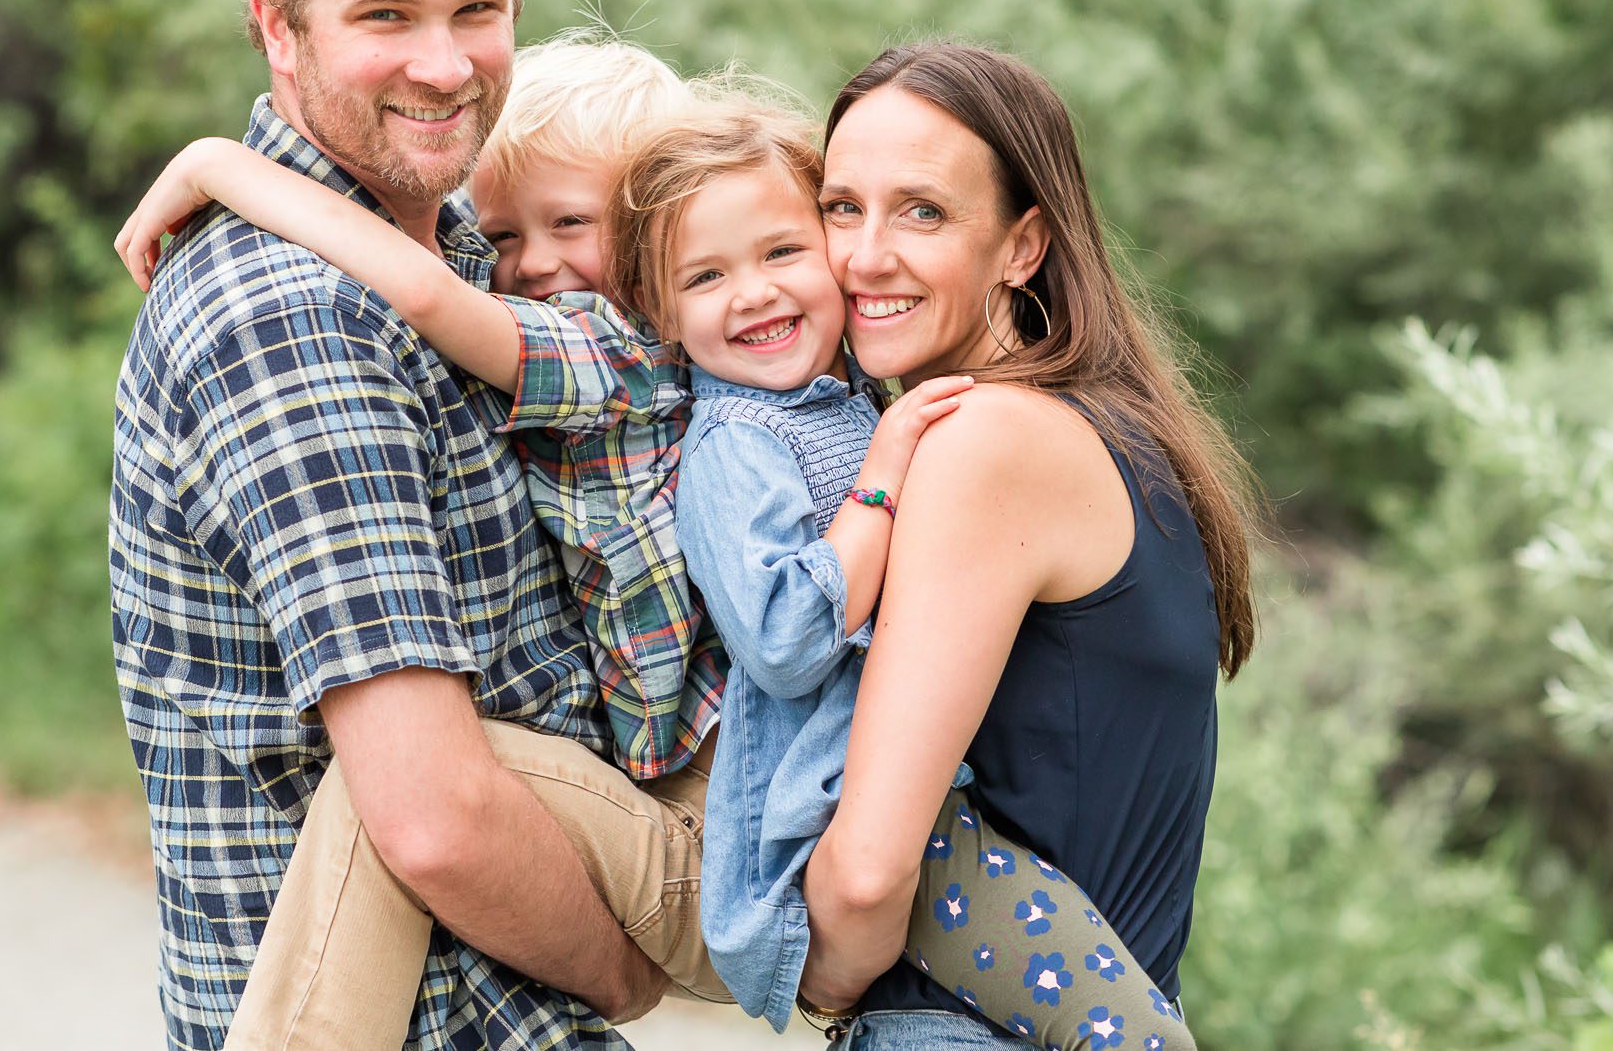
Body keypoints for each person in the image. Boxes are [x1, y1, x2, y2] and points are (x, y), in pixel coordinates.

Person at [121, 82, 1186, 1051]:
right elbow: (437, 295)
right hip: (758, 835)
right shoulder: (666, 383)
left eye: (791, 248)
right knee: (399, 787)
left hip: (818, 833)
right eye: (707, 272)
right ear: (659, 293)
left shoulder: (854, 395)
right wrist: (224, 167)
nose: (836, 266)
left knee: (1119, 1017)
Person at [109, 0, 676, 1051]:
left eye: (478, 8)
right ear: (277, 22)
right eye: (384, 16)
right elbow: (434, 820)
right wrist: (624, 979)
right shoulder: (294, 317)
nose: (444, 61)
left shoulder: (480, 251)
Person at [795, 43, 1263, 1051]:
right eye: (840, 208)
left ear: (1020, 246)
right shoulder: (1119, 435)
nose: (863, 254)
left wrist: (816, 987)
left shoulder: (984, 439)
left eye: (921, 211)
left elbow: (868, 870)